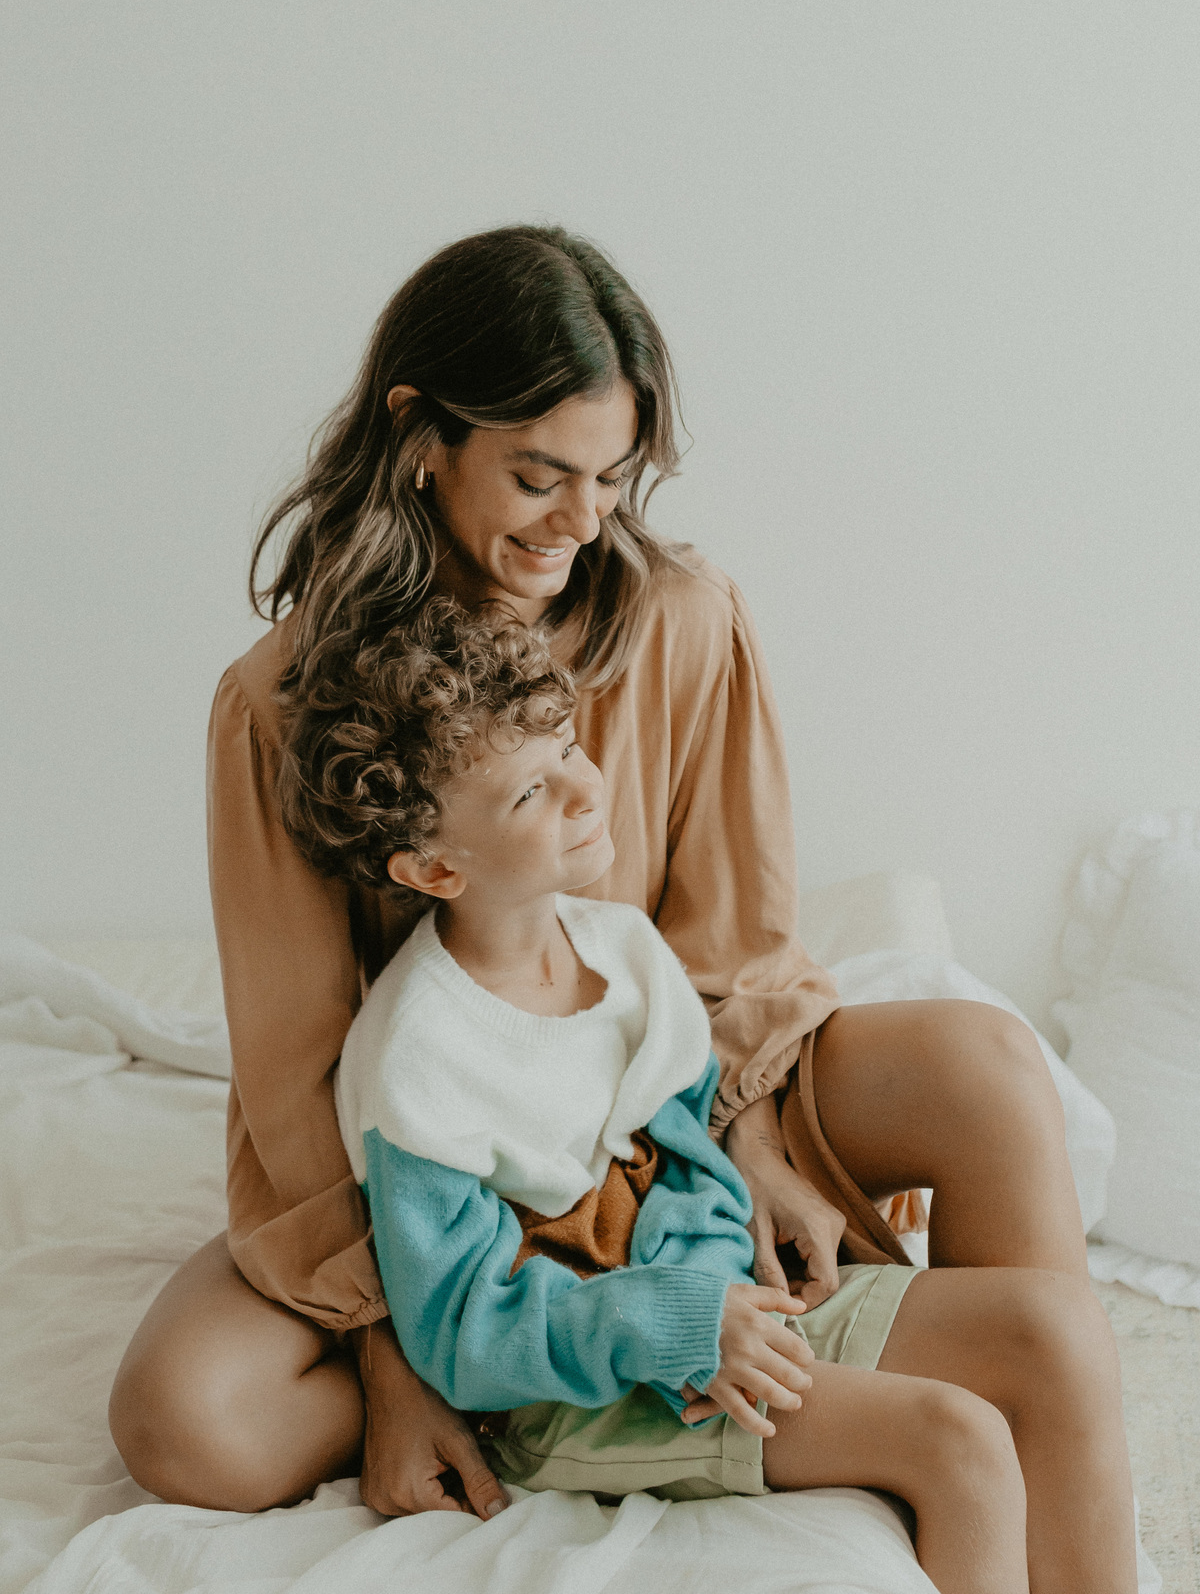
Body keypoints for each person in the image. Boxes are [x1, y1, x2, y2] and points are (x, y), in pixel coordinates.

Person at [107, 226, 1135, 1590]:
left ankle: (996, 1428)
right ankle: (532, 1363)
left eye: (610, 478)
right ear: (421, 436)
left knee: (988, 1069)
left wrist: (746, 1143)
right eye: (539, 476)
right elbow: (300, 1075)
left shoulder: (683, 620)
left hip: (664, 1098)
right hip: (441, 1167)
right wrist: (395, 1356)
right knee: (181, 1419)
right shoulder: (282, 704)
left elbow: (735, 952)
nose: (580, 522)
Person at [285, 597, 1036, 1594]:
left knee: (1053, 1330)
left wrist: (720, 1294)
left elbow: (691, 1164)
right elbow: (463, 1332)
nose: (583, 791)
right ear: (433, 866)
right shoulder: (417, 1060)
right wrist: (683, 1326)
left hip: (712, 1317)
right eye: (531, 792)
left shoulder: (624, 951)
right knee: (957, 1437)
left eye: (568, 749)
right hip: (574, 1397)